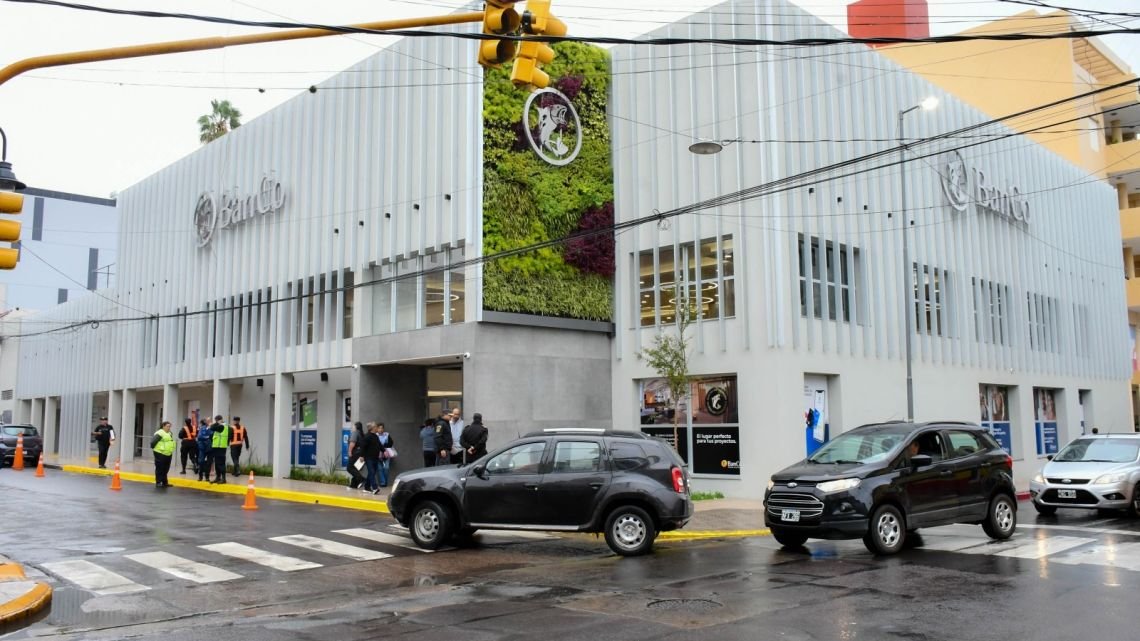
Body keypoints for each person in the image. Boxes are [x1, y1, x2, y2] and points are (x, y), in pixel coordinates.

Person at [150, 421, 175, 488]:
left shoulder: (170, 433)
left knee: (166, 468)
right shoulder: (160, 433)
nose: (169, 428)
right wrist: (156, 450)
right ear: (163, 426)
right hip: (160, 453)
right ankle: (158, 482)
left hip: (168, 453)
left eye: (169, 426)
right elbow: (153, 442)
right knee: (159, 468)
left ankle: (165, 482)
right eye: (167, 426)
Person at [361, 422, 381, 493]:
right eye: (376, 427)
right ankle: (375, 488)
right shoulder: (367, 436)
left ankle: (366, 487)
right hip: (368, 458)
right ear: (372, 428)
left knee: (371, 473)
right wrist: (362, 456)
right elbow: (362, 447)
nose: (377, 428)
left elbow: (379, 445)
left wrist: (384, 450)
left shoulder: (376, 436)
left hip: (375, 457)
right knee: (371, 472)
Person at [209, 415, 230, 484]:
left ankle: (223, 479)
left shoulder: (222, 426)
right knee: (217, 463)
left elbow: (212, 428)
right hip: (218, 447)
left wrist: (216, 423)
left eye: (216, 420)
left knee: (221, 463)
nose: (216, 422)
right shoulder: (224, 426)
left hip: (220, 447)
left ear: (219, 420)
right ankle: (218, 477)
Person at [346, 421, 367, 490]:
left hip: (354, 453)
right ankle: (353, 485)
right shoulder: (362, 434)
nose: (352, 427)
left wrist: (349, 452)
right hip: (360, 454)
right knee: (355, 469)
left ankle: (362, 479)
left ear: (356, 427)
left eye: (353, 426)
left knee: (349, 468)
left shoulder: (355, 433)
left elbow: (352, 443)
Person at [376, 422, 394, 488]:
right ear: (377, 429)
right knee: (380, 469)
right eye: (379, 428)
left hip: (386, 453)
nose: (380, 429)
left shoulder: (387, 434)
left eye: (382, 428)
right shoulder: (375, 435)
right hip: (377, 454)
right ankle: (383, 483)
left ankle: (385, 482)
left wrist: (383, 446)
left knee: (386, 468)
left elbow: (391, 443)